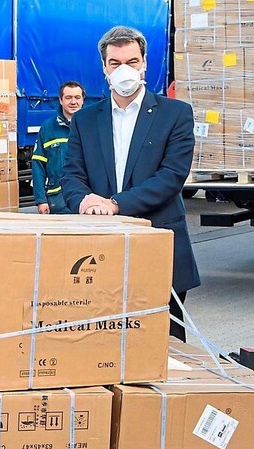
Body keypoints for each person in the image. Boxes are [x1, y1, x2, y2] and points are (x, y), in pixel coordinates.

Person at [61, 26, 200, 341]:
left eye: (132, 61)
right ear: (104, 68)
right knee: (101, 346)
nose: (124, 69)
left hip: (158, 252)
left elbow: (171, 177)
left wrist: (114, 205)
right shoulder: (85, 119)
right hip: (101, 254)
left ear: (145, 63)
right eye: (115, 63)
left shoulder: (175, 114)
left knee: (164, 349)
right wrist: (83, 201)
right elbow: (71, 174)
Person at [31, 81, 85, 214]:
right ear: (60, 100)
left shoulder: (92, 127)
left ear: (83, 100)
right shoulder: (47, 128)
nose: (73, 102)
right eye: (68, 97)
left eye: (77, 97)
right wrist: (41, 200)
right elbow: (38, 166)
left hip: (87, 197)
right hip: (58, 200)